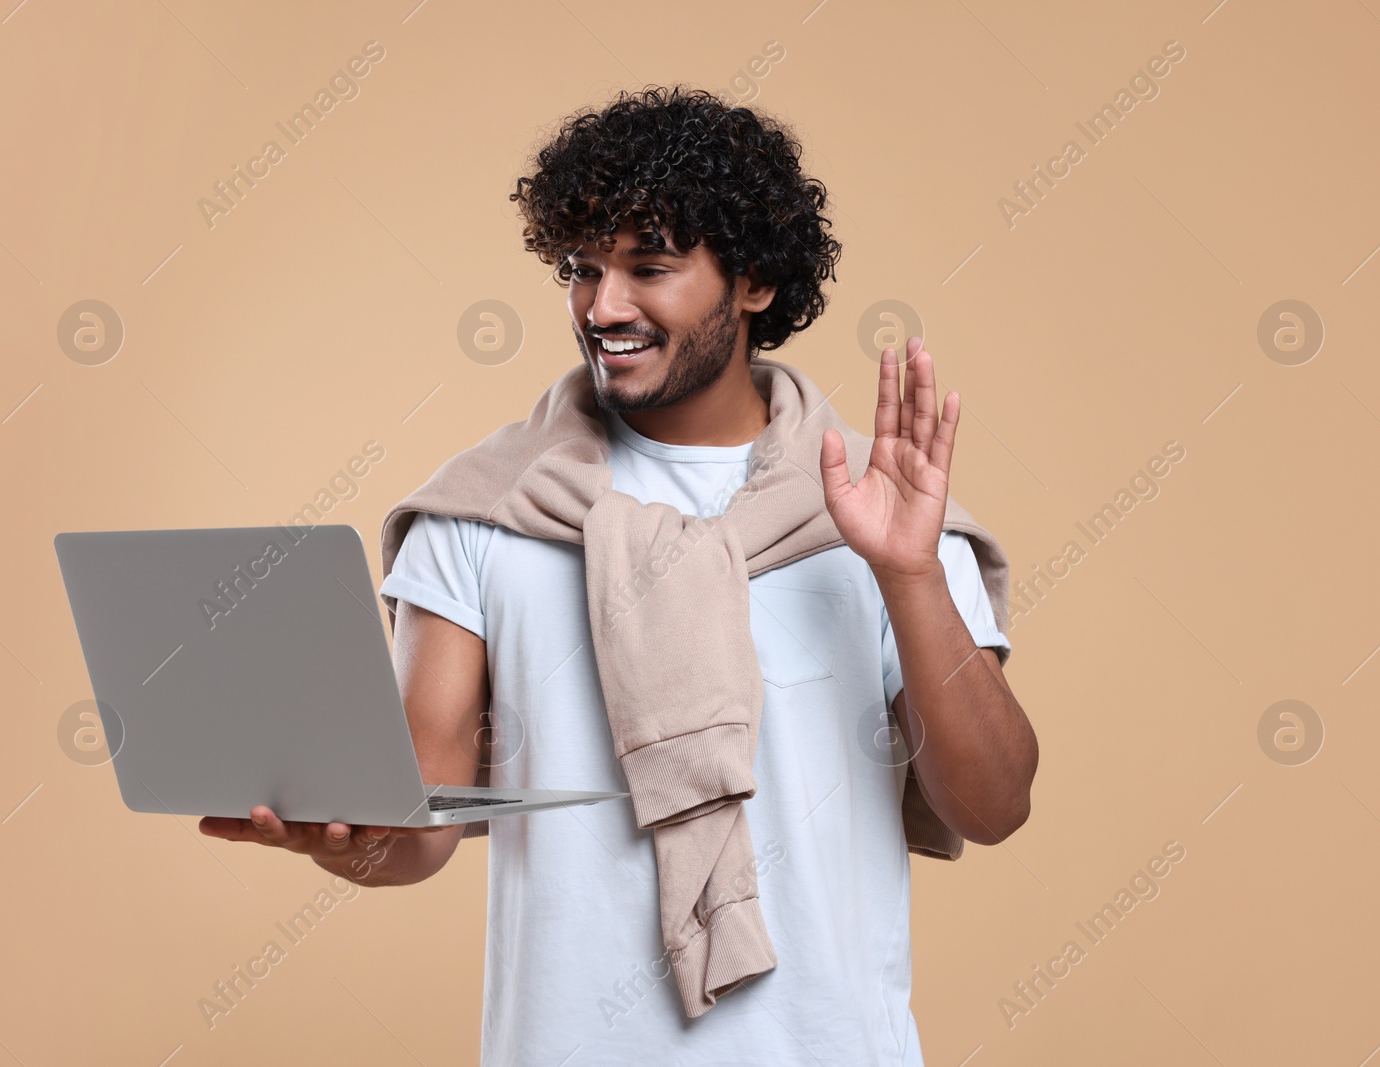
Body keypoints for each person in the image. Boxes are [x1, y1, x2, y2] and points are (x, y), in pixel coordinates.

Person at [202, 85, 1037, 1065]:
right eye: (581, 268)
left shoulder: (875, 508)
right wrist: (345, 840)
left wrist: (907, 575)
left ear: (755, 281)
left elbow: (994, 804)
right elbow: (419, 820)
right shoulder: (484, 511)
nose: (603, 306)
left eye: (649, 268)